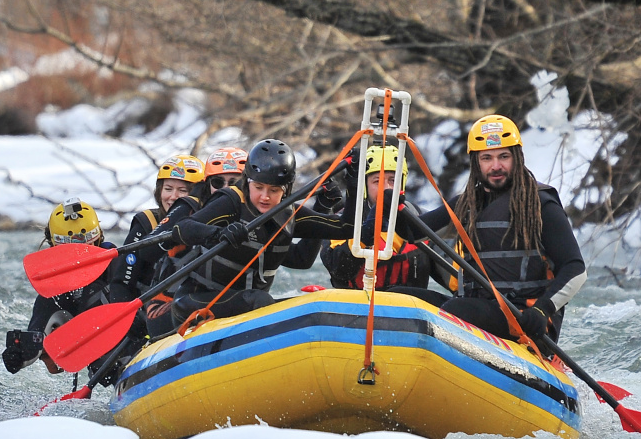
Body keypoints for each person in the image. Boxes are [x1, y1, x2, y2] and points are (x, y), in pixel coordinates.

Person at [148, 139, 348, 338]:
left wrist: (329, 202)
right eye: (259, 187)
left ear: (284, 190)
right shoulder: (224, 203)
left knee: (291, 301)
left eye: (273, 190)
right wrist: (217, 235)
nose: (265, 197)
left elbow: (302, 258)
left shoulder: (282, 213)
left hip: (242, 305)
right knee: (259, 300)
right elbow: (180, 229)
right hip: (193, 301)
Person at [416, 114, 585, 343]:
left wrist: (543, 309)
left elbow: (575, 269)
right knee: (405, 297)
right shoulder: (467, 203)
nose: (496, 166)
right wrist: (387, 204)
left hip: (524, 319)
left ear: (517, 158)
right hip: (476, 308)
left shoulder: (541, 203)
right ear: (476, 162)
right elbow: (414, 231)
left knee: (458, 309)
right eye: (487, 158)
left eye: (503, 156)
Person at [320, 143, 448, 307]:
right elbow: (339, 269)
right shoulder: (341, 223)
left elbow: (451, 279)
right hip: (354, 309)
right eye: (377, 181)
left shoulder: (422, 220)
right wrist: (368, 232)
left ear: (402, 184)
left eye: (392, 180)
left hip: (410, 312)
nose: (386, 188)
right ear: (364, 186)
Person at [2, 197, 113, 373]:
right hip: (89, 349)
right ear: (54, 245)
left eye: (87, 241)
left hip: (123, 341)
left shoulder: (119, 264)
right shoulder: (53, 294)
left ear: (98, 238)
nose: (80, 252)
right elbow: (38, 329)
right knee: (47, 301)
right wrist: (18, 355)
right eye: (70, 245)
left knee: (96, 290)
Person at [104, 153, 205, 302]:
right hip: (148, 308)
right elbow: (122, 283)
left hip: (194, 307)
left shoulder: (209, 224)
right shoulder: (147, 222)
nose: (173, 197)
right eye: (168, 189)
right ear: (159, 191)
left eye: (183, 191)